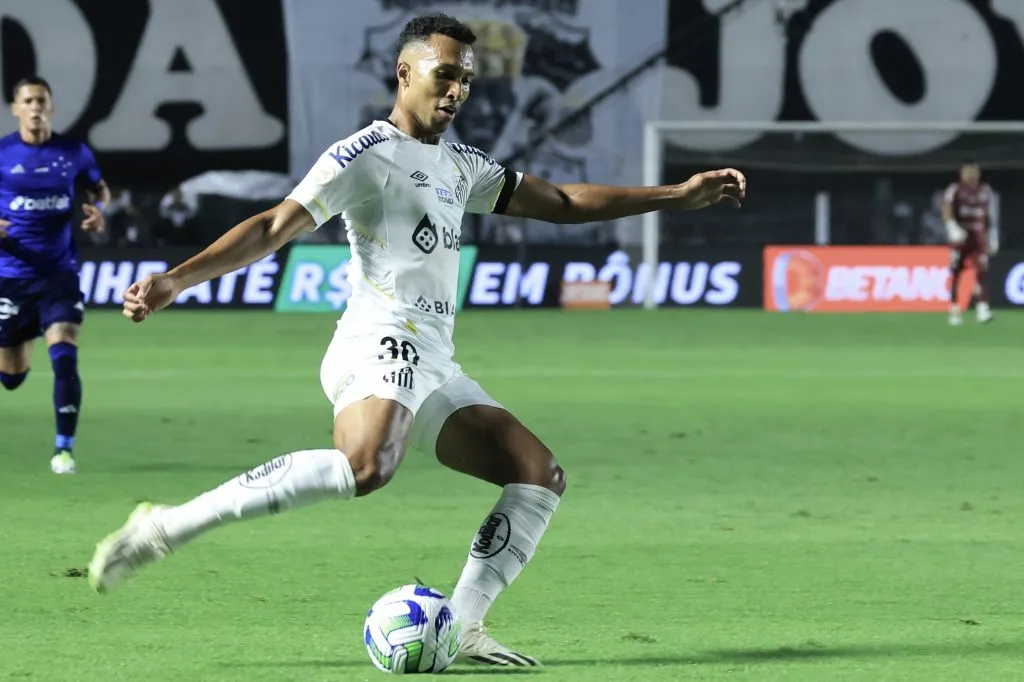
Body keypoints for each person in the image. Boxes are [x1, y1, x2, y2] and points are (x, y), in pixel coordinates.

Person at [87, 13, 745, 667]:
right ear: (406, 72)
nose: (457, 91)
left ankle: (464, 626)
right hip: (378, 340)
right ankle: (166, 527)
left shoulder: (461, 164)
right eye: (445, 74)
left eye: (465, 80)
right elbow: (273, 225)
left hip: (431, 355)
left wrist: (676, 194)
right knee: (367, 466)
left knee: (537, 475)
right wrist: (177, 279)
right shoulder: (363, 155)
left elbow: (565, 203)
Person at [0, 76, 109, 473]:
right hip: (11, 276)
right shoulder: (2, 153)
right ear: (15, 108)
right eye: (28, 100)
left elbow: (99, 188)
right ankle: (23, 335)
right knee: (11, 378)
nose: (35, 107)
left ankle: (64, 449)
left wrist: (100, 210)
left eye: (42, 100)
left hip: (59, 273)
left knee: (64, 351)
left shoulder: (73, 152)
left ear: (51, 106)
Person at [943, 162, 996, 325]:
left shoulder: (985, 190)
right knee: (956, 272)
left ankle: (982, 308)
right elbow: (946, 209)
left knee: (982, 271)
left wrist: (993, 235)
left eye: (974, 171)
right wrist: (952, 227)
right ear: (961, 173)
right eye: (968, 171)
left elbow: (989, 214)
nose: (971, 174)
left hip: (978, 237)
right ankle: (954, 309)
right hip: (961, 238)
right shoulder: (954, 190)